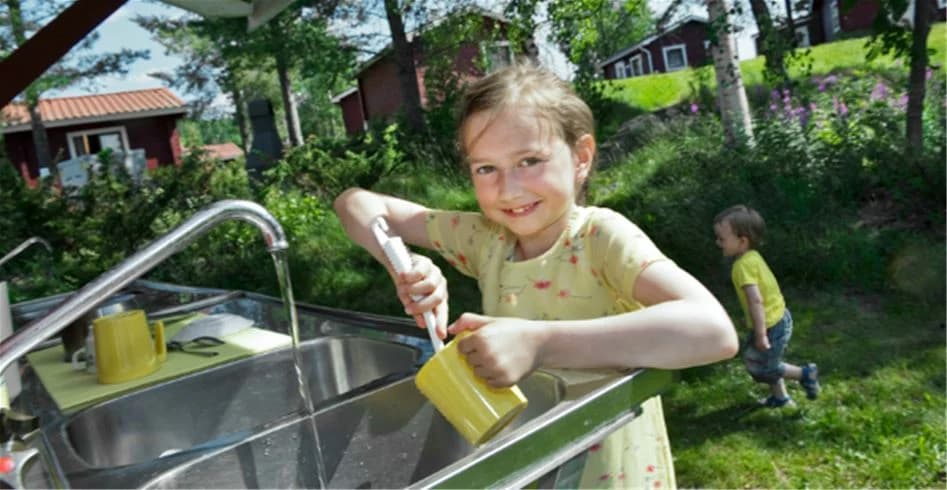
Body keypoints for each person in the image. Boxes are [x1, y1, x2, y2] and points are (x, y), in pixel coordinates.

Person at [335, 63, 738, 488]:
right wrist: (405, 265)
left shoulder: (600, 238)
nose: (508, 190)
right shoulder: (487, 240)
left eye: (529, 160)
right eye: (485, 168)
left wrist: (540, 344)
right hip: (536, 469)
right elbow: (354, 204)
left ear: (581, 157)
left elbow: (713, 332)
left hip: (613, 475)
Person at [713, 205, 821, 408]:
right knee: (766, 360)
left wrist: (761, 333)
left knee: (762, 366)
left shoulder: (742, 266)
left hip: (771, 325)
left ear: (742, 240)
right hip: (777, 317)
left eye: (722, 238)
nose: (718, 243)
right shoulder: (752, 257)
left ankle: (805, 374)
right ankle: (780, 398)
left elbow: (755, 300)